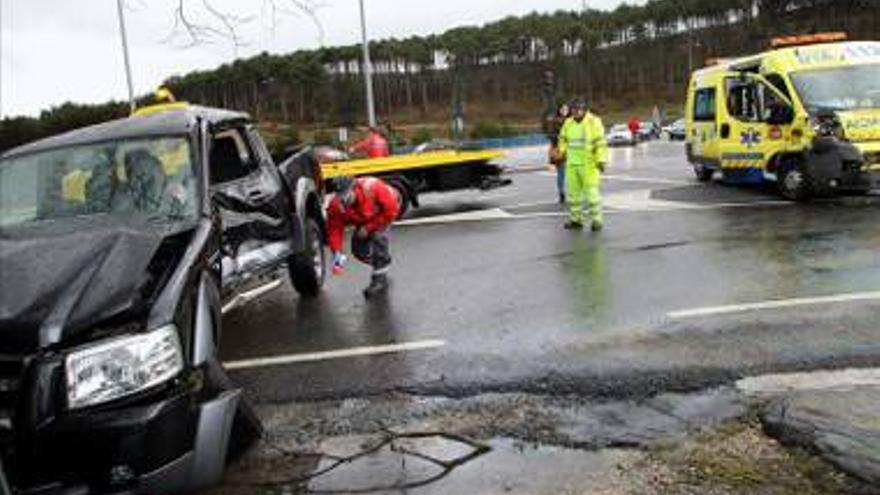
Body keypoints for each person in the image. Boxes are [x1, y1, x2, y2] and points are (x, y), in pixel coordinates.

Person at [326, 175, 401, 298]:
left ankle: (379, 278)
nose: (345, 201)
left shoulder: (373, 188)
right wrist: (337, 260)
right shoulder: (336, 206)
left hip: (385, 210)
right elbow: (335, 232)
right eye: (341, 198)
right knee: (358, 251)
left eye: (347, 196)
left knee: (378, 237)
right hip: (363, 217)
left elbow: (391, 211)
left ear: (354, 189)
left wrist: (368, 227)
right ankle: (383, 261)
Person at [558, 98, 609, 232]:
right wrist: (562, 151)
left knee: (592, 194)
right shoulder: (568, 123)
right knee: (574, 195)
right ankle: (576, 220)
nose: (576, 112)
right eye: (573, 109)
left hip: (589, 164)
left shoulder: (594, 121)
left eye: (578, 109)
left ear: (584, 110)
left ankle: (597, 220)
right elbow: (562, 138)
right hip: (572, 164)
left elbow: (600, 142)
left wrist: (601, 160)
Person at [545, 102, 570, 204]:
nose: (564, 111)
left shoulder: (572, 121)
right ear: (559, 110)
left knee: (572, 174)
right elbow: (550, 136)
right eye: (563, 109)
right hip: (559, 150)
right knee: (561, 174)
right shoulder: (554, 121)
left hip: (572, 151)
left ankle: (572, 193)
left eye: (566, 109)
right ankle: (562, 193)